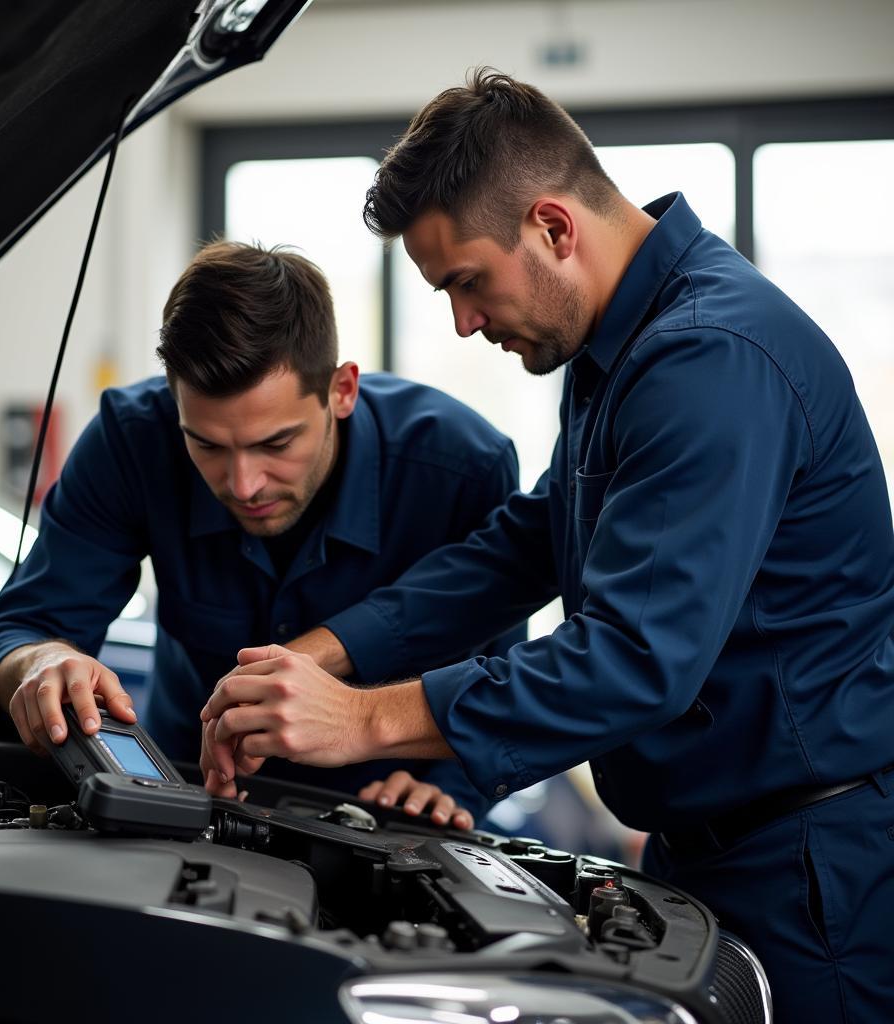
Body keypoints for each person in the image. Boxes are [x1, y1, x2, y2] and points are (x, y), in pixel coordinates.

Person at [201, 71, 894, 1022]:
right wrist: (323, 652)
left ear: (553, 228)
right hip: (714, 847)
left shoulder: (709, 357)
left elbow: (632, 660)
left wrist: (359, 720)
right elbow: (527, 545)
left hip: (811, 871)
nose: (462, 322)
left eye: (467, 282)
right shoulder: (624, 346)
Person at [0, 239, 527, 829]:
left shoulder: (462, 468)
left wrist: (450, 784)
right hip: (183, 795)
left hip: (385, 820)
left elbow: (503, 668)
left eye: (275, 443)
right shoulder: (131, 442)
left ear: (342, 390)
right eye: (206, 444)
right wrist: (39, 662)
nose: (243, 483)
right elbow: (17, 633)